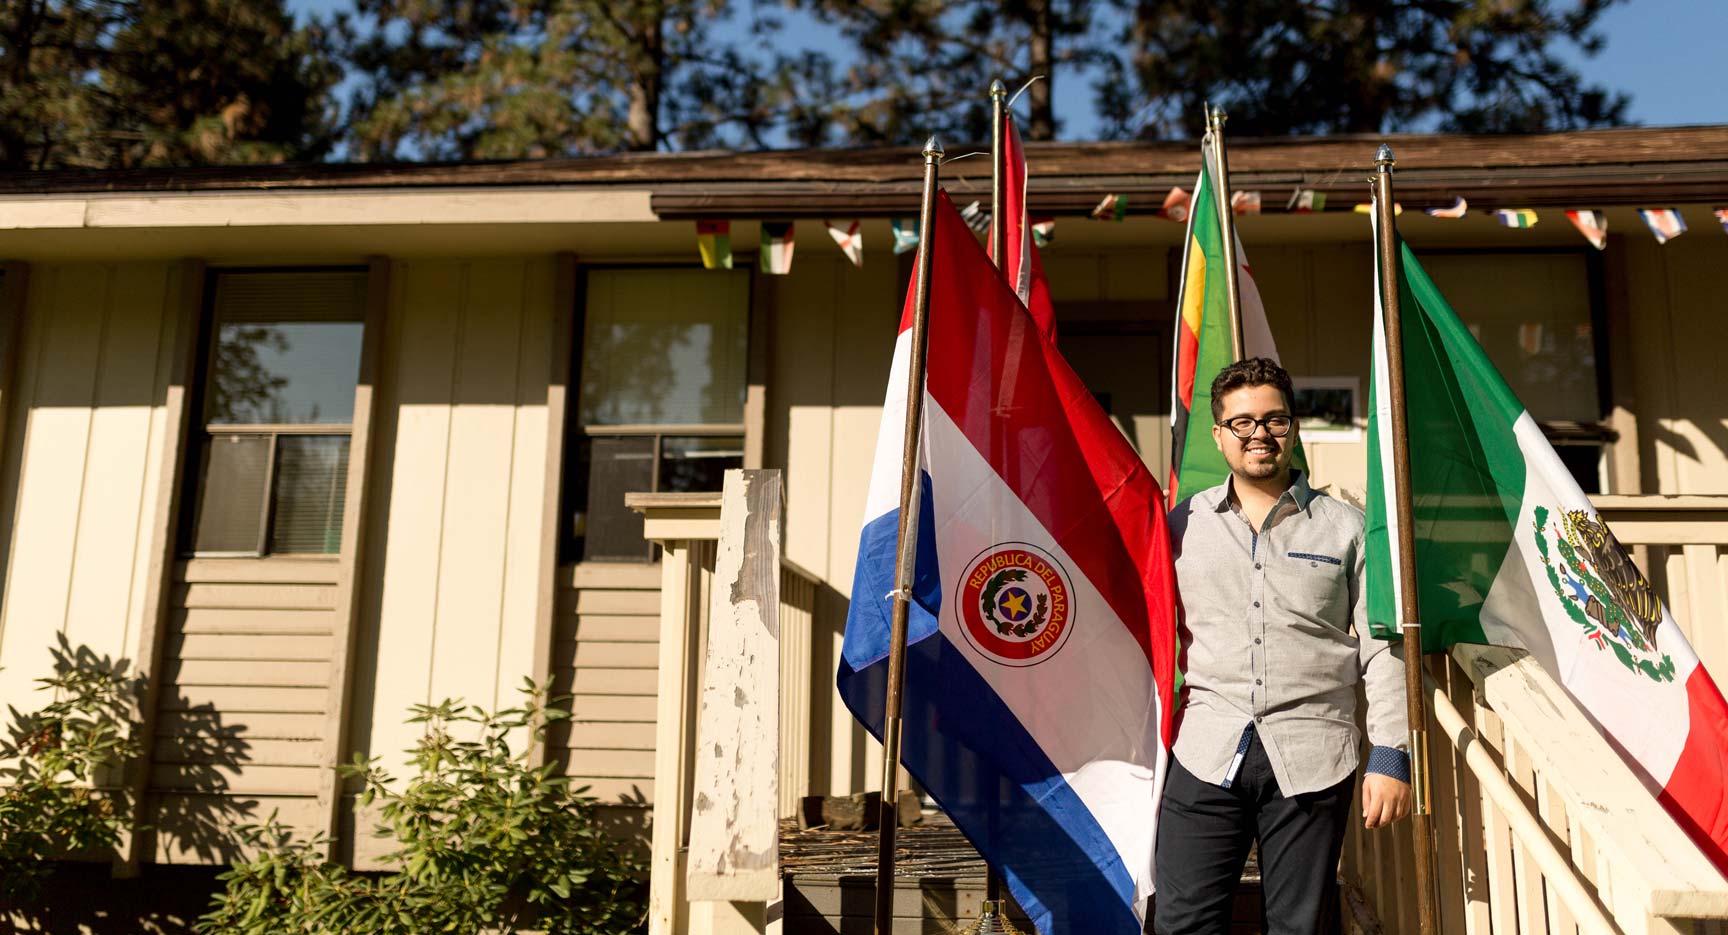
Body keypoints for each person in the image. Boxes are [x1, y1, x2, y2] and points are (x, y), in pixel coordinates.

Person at [1155, 357, 1411, 935]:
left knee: (1300, 928)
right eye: (1242, 422)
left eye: (1274, 419)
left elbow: (1383, 646)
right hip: (1205, 749)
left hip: (1314, 754)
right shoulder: (1178, 527)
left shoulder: (1347, 528)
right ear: (1220, 435)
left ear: (1292, 427)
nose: (1259, 434)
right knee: (1181, 924)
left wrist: (1391, 753)